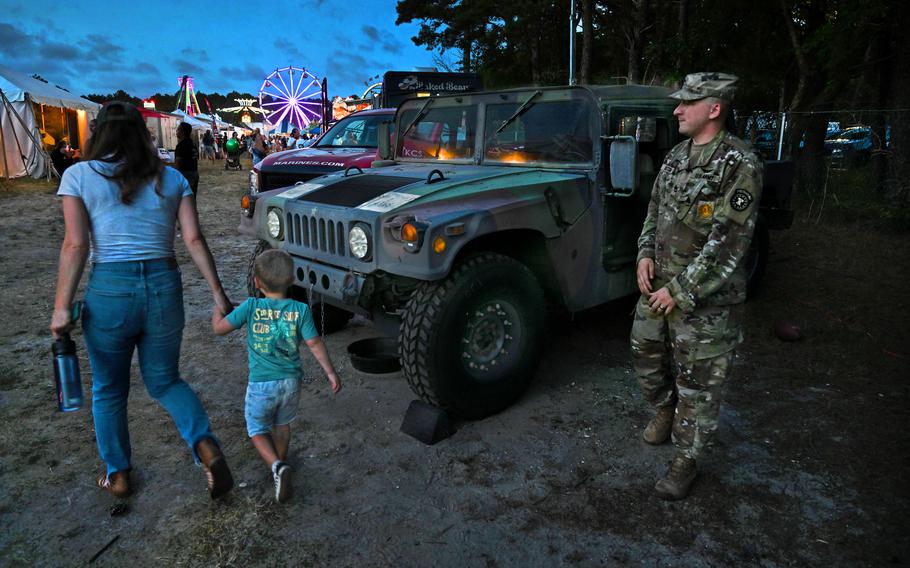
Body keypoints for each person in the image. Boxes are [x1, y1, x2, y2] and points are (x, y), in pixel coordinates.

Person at [50, 101, 235, 500]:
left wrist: (62, 306)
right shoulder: (172, 179)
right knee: (166, 380)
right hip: (164, 286)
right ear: (143, 135)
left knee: (109, 389)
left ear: (99, 134)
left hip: (111, 292)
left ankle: (118, 475)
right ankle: (206, 446)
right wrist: (219, 295)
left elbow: (76, 243)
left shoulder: (80, 175)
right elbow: (193, 240)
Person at [630, 72, 762, 500]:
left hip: (706, 301)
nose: (677, 110)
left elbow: (728, 242)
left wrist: (682, 290)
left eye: (687, 103)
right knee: (646, 352)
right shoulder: (675, 157)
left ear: (715, 108)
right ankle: (663, 411)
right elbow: (654, 210)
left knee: (698, 383)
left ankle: (687, 459)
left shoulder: (740, 164)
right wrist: (644, 253)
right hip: (659, 287)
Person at [212, 249, 341, 503]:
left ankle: (277, 468)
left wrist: (217, 312)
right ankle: (280, 463)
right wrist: (330, 372)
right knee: (282, 425)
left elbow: (219, 330)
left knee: (257, 428)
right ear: (292, 280)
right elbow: (314, 343)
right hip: (291, 383)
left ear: (257, 283)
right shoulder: (300, 309)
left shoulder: (250, 307)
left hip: (262, 384)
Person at [174, 122, 199, 195]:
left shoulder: (181, 145)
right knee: (192, 198)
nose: (176, 132)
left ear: (183, 132)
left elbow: (178, 162)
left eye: (178, 129)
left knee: (184, 199)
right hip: (194, 173)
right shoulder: (193, 143)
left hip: (185, 175)